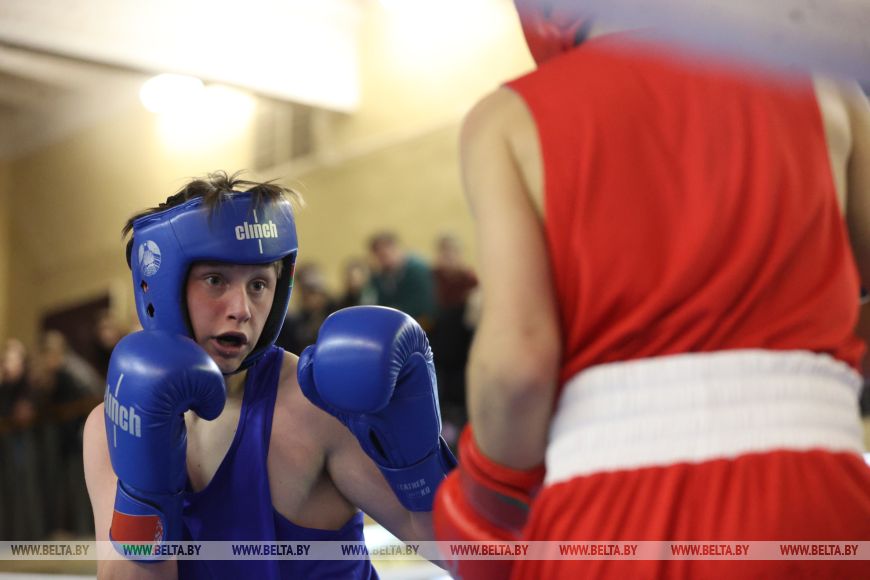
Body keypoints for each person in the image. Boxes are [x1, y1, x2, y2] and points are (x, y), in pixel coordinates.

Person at [434, 1, 870, 578]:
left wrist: (490, 492)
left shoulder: (505, 120)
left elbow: (517, 370)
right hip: (818, 497)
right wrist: (807, 375)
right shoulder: (827, 87)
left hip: (608, 512)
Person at [83, 171, 455, 579]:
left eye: (259, 284)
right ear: (160, 286)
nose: (242, 308)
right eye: (215, 280)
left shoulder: (311, 402)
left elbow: (463, 554)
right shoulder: (112, 425)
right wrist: (146, 493)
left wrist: (419, 461)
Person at [368, 231, 436, 330]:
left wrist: (395, 311)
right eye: (379, 255)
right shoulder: (378, 277)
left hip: (422, 326)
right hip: (394, 325)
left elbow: (424, 305)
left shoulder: (416, 269)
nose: (383, 258)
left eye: (386, 253)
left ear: (397, 248)